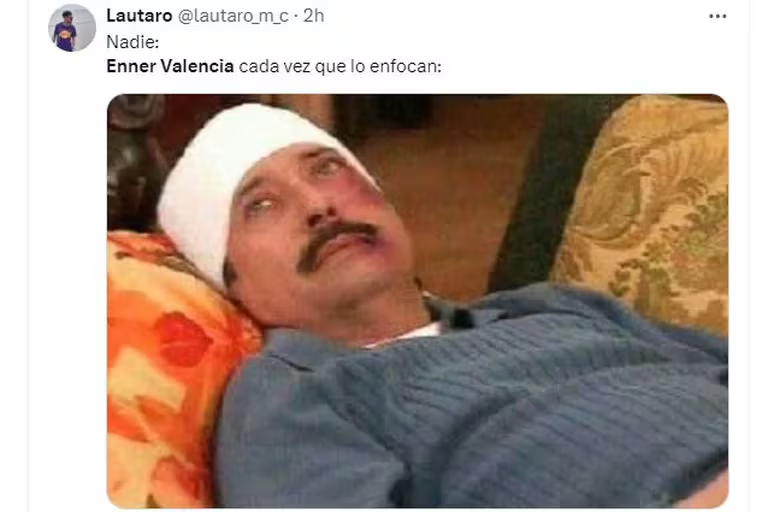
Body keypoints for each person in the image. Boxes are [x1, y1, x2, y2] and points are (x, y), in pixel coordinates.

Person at [156, 103, 728, 508]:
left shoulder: (551, 306)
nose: (317, 205)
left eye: (327, 168)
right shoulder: (290, 396)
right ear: (233, 283)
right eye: (259, 206)